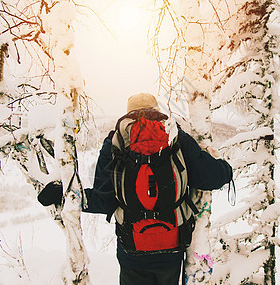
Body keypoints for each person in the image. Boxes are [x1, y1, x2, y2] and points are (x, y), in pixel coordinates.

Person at [83, 93, 233, 285]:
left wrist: (65, 195)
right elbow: (210, 177)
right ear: (157, 111)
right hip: (172, 243)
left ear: (128, 113)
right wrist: (225, 169)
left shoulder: (115, 142)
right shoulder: (174, 136)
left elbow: (102, 201)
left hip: (132, 248)